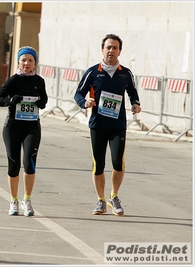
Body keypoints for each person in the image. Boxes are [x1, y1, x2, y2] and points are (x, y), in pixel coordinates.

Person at [74, 34, 141, 216]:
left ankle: (114, 196)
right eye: (108, 47)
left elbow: (132, 91)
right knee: (99, 165)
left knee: (118, 162)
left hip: (118, 125)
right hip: (97, 125)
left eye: (115, 48)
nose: (111, 51)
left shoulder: (125, 73)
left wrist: (135, 103)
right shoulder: (92, 72)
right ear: (102, 49)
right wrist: (85, 103)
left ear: (120, 51)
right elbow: (78, 94)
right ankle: (101, 200)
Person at [0, 46, 48, 217]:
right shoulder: (13, 80)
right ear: (19, 62)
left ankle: (27, 199)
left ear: (34, 63)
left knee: (29, 162)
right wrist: (10, 101)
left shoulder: (39, 81)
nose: (27, 63)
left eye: (30, 60)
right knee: (14, 163)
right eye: (23, 60)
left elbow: (44, 98)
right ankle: (14, 200)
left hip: (32, 127)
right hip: (12, 127)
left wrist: (41, 103)